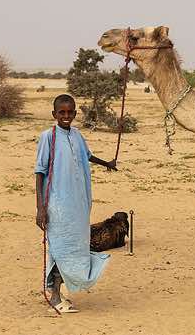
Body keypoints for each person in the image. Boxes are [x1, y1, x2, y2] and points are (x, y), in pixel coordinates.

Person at [34, 94, 117, 313]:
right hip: (58, 206)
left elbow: (86, 155)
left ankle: (58, 292)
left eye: (70, 112)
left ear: (75, 113)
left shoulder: (77, 135)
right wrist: (41, 208)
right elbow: (40, 173)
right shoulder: (48, 137)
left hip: (79, 204)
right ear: (54, 114)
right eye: (62, 112)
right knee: (61, 249)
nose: (66, 116)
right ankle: (54, 296)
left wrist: (106, 163)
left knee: (75, 248)